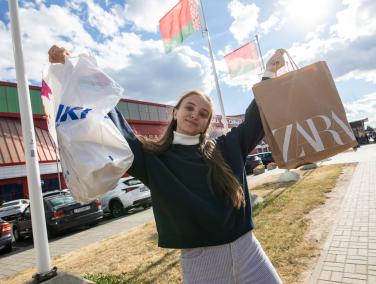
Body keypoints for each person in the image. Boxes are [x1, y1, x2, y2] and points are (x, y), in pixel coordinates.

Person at [48, 45, 284, 283]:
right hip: (202, 263)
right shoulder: (152, 158)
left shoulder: (227, 147)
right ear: (175, 113)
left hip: (248, 250)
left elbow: (255, 117)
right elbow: (112, 118)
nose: (194, 114)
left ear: (206, 124)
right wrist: (72, 70)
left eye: (203, 114)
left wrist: (270, 72)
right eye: (189, 108)